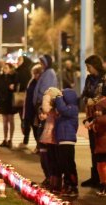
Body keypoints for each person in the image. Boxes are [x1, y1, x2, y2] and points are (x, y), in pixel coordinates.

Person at [80, 54, 106, 188]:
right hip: (90, 114)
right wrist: (86, 100)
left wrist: (94, 101)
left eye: (89, 67)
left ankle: (105, 180)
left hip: (101, 116)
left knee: (103, 148)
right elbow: (84, 94)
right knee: (93, 147)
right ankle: (95, 177)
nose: (87, 70)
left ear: (95, 66)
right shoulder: (89, 78)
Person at [32, 54, 58, 187]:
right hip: (42, 109)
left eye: (42, 62)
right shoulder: (45, 72)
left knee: (48, 156)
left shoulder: (49, 73)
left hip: (44, 109)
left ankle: (52, 178)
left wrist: (43, 106)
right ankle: (48, 177)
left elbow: (46, 91)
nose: (41, 65)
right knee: (44, 155)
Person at [54, 88, 79, 197]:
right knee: (64, 164)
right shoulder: (65, 110)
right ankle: (67, 184)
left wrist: (58, 98)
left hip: (68, 141)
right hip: (62, 140)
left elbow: (62, 109)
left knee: (69, 165)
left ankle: (73, 186)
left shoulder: (72, 108)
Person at [39, 87, 63, 194]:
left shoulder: (57, 109)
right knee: (50, 160)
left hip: (54, 136)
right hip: (49, 136)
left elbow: (46, 109)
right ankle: (52, 181)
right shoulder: (51, 111)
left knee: (56, 160)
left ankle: (57, 183)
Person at [18, 64, 43, 150]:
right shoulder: (31, 82)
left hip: (36, 108)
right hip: (30, 108)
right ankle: (38, 145)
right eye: (34, 73)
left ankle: (39, 146)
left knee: (37, 128)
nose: (35, 75)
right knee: (33, 127)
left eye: (37, 74)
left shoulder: (41, 83)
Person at [0, 63, 17, 149]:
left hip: (10, 101)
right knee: (5, 122)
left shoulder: (13, 77)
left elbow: (16, 87)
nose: (5, 69)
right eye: (4, 67)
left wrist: (13, 87)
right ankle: (5, 139)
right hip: (3, 102)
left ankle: (10, 139)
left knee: (11, 121)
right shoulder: (0, 77)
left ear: (10, 69)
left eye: (6, 67)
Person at [15, 55, 33, 120]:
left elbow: (24, 83)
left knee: (24, 114)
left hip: (24, 95)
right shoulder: (18, 70)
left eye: (19, 60)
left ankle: (25, 128)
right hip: (20, 95)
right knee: (22, 114)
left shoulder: (25, 71)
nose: (17, 62)